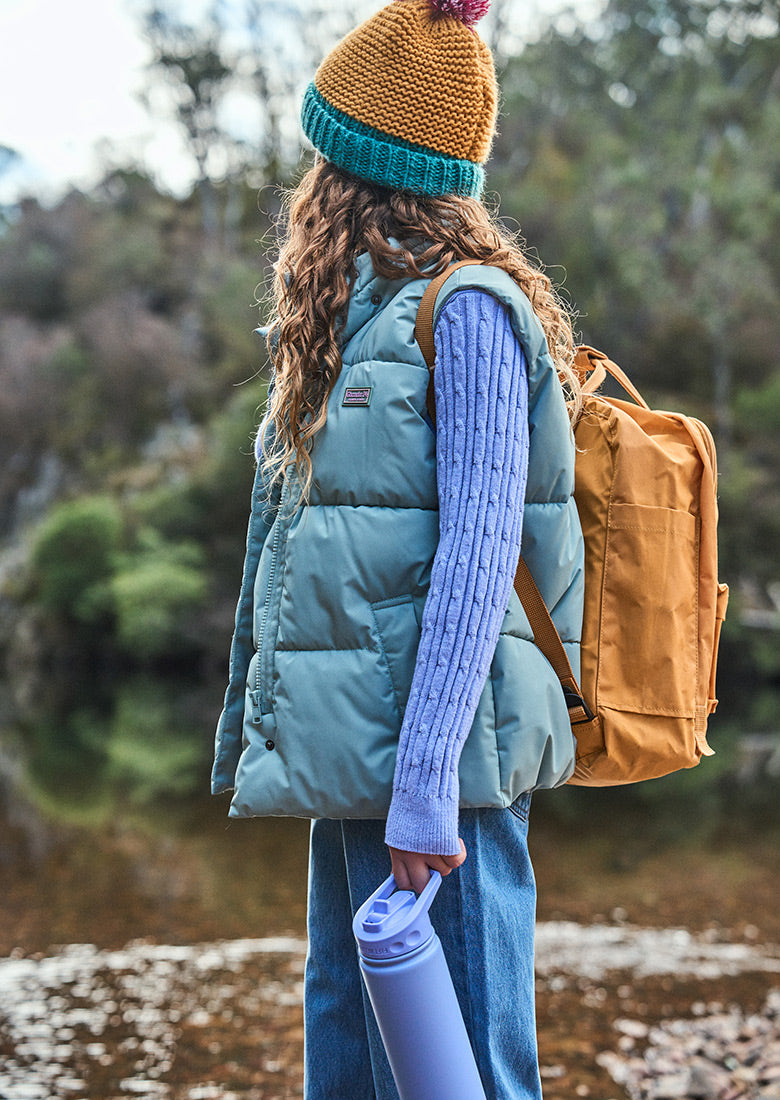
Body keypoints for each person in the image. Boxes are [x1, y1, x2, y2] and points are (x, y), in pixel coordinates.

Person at [212, 0, 585, 1096]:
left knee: (462, 1071)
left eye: (321, 155)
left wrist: (423, 786)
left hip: (441, 782)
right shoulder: (356, 321)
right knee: (354, 1065)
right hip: (359, 769)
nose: (305, 187)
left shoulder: (466, 312)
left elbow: (478, 555)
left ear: (358, 167)